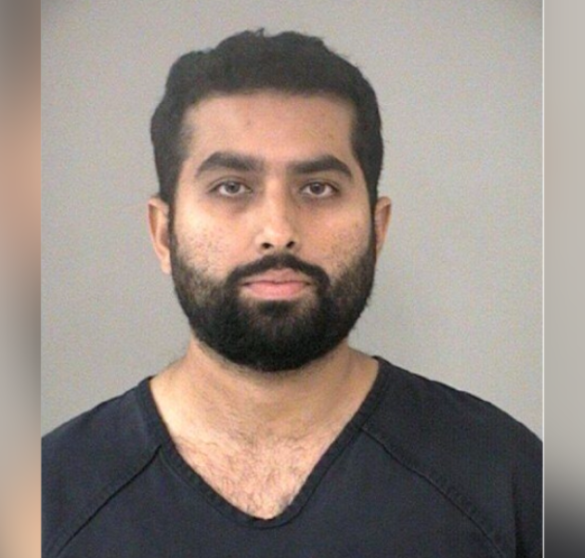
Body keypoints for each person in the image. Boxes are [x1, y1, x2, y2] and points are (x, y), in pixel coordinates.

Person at [43, 30, 542, 558]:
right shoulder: (48, 500)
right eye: (231, 186)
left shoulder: (503, 478)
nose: (278, 230)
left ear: (377, 229)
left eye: (318, 188)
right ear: (164, 233)